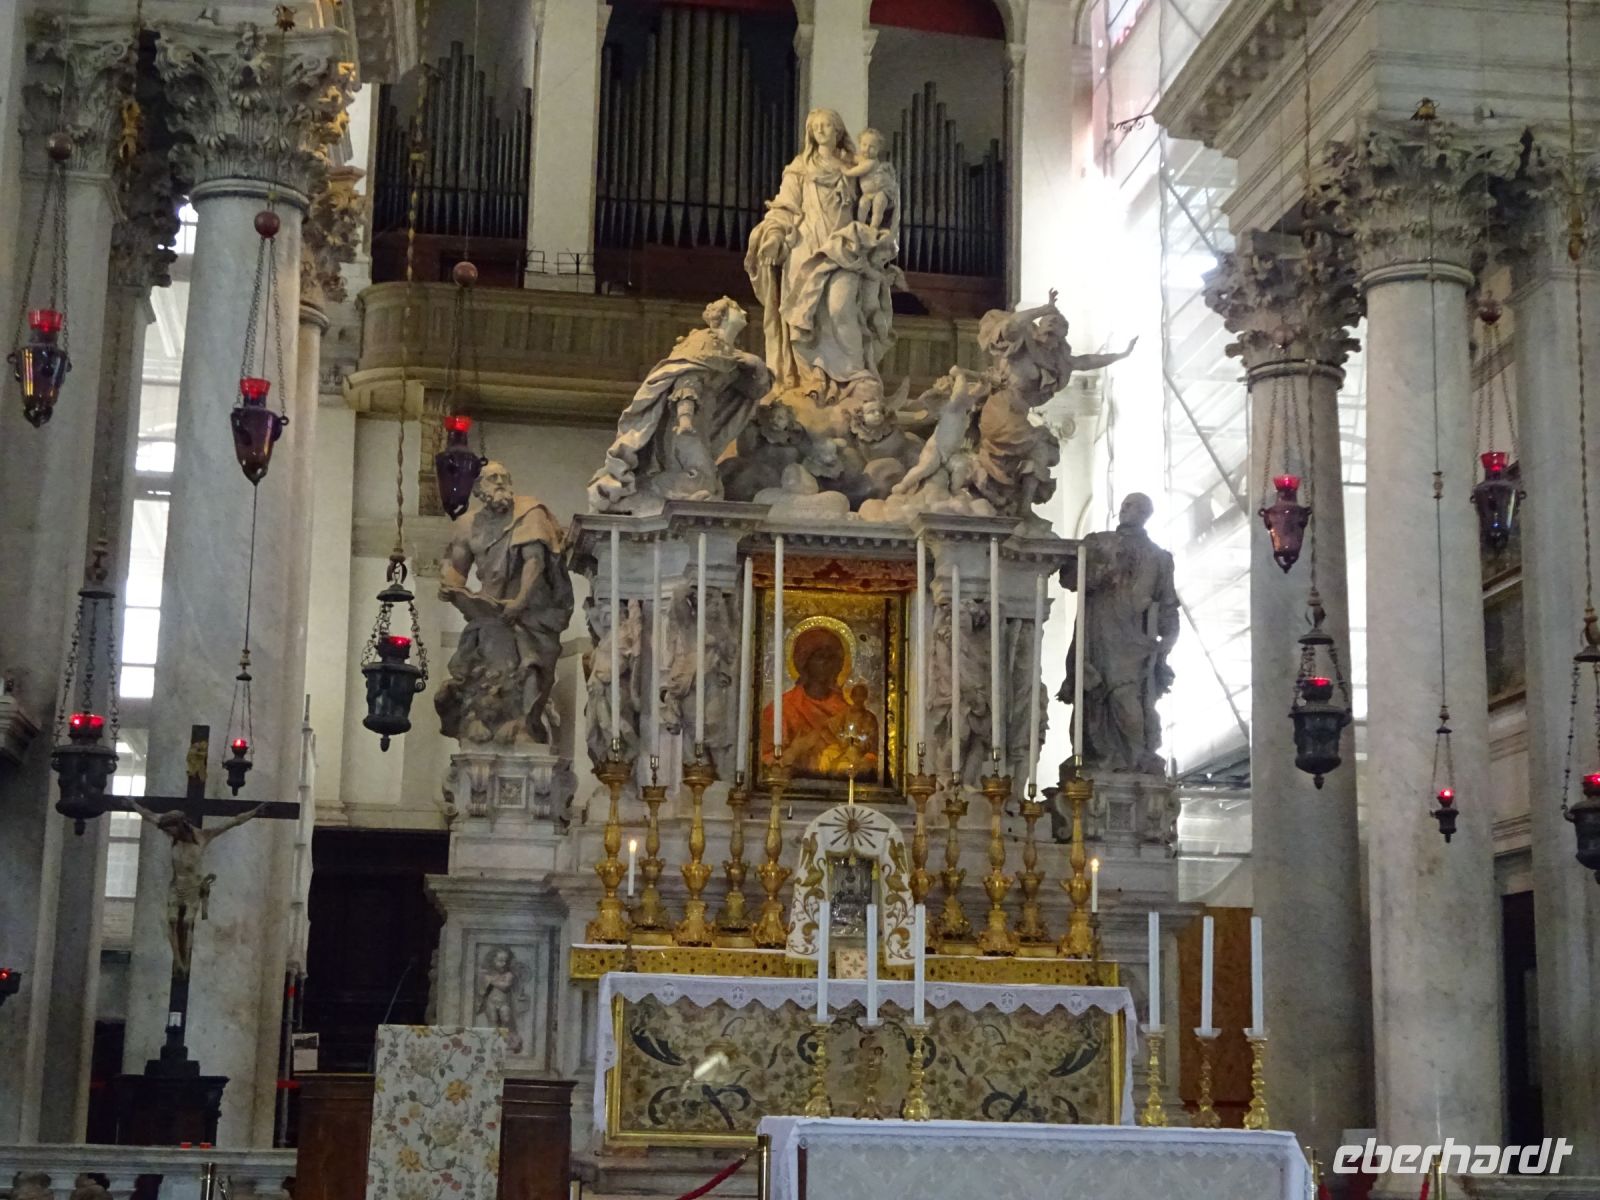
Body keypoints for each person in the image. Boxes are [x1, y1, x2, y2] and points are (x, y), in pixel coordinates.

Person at [744, 109, 898, 400]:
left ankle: (854, 374)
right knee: (803, 316)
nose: (821, 130)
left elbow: (881, 195)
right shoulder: (799, 167)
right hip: (806, 245)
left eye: (827, 125)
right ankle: (810, 380)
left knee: (841, 306)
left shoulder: (855, 165)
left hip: (843, 244)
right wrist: (775, 235)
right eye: (815, 127)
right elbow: (784, 206)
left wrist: (885, 199)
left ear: (838, 130)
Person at [589, 298, 772, 513]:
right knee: (703, 480)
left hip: (705, 423)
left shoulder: (732, 353)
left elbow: (752, 391)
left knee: (706, 480)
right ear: (723, 316)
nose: (743, 310)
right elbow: (686, 380)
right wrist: (685, 418)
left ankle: (646, 490)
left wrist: (757, 367)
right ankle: (643, 488)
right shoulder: (703, 343)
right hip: (684, 424)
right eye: (735, 308)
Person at [436, 463, 573, 745]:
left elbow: (534, 560)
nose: (500, 482)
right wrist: (451, 587)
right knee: (489, 671)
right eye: (492, 478)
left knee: (532, 667)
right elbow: (457, 568)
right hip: (490, 612)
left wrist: (520, 602)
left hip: (532, 612)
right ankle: (488, 724)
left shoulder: (529, 512)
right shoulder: (467, 525)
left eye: (504, 477)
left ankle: (525, 724)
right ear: (478, 489)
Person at [1059, 493, 1180, 773]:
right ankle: (1107, 757)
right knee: (1097, 696)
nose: (1125, 510)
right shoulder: (1098, 543)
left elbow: (1168, 604)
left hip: (1135, 639)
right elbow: (1068, 578)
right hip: (1100, 631)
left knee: (1128, 696)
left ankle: (1136, 757)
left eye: (1133, 506)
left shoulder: (1159, 557)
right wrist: (1098, 571)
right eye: (1124, 505)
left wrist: (1169, 641)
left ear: (1145, 514)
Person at [126, 797, 265, 976]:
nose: (170, 833)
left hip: (192, 887)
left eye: (171, 829)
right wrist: (133, 804)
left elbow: (233, 822)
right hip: (177, 886)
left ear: (180, 825)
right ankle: (178, 960)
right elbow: (149, 816)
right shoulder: (173, 836)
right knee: (172, 921)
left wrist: (254, 812)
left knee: (187, 922)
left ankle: (186, 962)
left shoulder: (203, 836)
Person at [760, 625, 854, 774]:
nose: (827, 664)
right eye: (820, 657)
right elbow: (763, 760)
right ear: (805, 661)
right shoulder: (783, 708)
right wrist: (795, 750)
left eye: (832, 658)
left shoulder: (847, 710)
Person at [844, 127, 899, 233]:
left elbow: (854, 172)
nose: (867, 149)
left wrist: (844, 170)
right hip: (867, 194)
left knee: (878, 205)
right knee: (862, 204)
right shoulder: (862, 159)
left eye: (872, 147)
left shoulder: (871, 163)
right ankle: (861, 224)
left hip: (879, 191)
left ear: (878, 150)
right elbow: (852, 158)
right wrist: (843, 156)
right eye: (864, 145)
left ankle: (874, 226)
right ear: (859, 144)